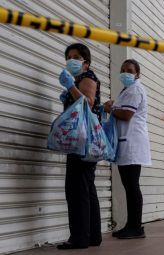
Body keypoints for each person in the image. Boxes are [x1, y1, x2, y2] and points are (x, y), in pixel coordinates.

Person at [57, 43, 102, 249]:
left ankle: (79, 238)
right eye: (68, 56)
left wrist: (70, 88)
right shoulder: (81, 79)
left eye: (76, 56)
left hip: (81, 141)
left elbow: (88, 103)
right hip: (84, 140)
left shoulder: (87, 78)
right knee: (86, 188)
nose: (71, 60)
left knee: (76, 189)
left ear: (86, 62)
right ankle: (92, 235)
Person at [103, 59, 151, 239]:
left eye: (129, 70)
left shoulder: (135, 89)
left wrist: (111, 107)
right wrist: (115, 105)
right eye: (122, 70)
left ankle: (136, 227)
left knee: (132, 186)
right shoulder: (128, 90)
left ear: (137, 74)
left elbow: (126, 114)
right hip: (127, 142)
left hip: (132, 143)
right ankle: (131, 225)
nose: (125, 73)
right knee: (129, 186)